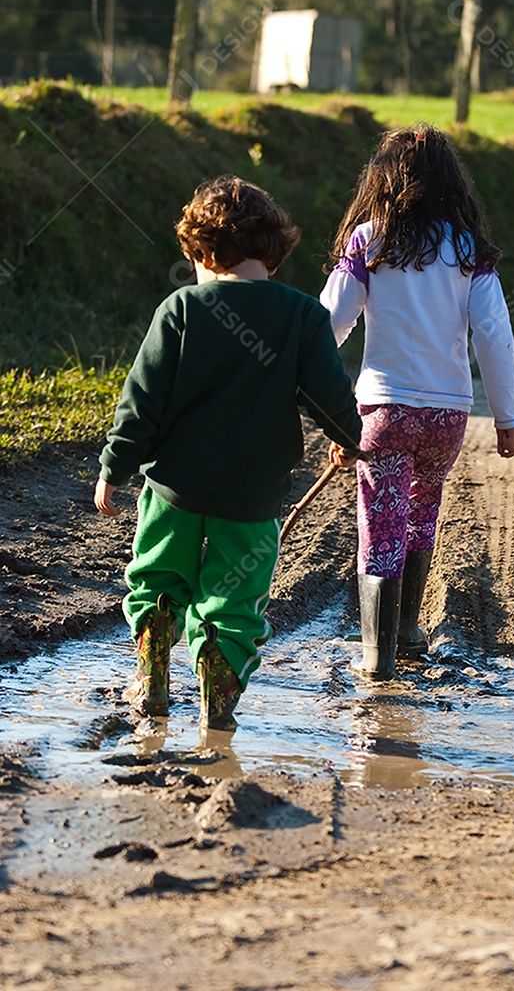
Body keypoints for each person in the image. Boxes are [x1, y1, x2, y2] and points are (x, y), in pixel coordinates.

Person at [95, 176, 362, 731]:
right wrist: (350, 438)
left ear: (205, 250)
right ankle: (219, 691)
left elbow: (143, 398)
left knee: (158, 578)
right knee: (235, 597)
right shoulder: (303, 316)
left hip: (175, 489)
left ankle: (151, 676)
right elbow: (329, 397)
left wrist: (114, 467)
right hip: (253, 496)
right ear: (272, 251)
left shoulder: (182, 309)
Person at [320, 124, 514, 679]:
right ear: (450, 184)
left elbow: (329, 326)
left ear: (383, 180)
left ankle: (376, 656)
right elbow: (494, 335)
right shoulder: (469, 251)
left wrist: (334, 414)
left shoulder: (369, 242)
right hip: (447, 415)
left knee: (379, 524)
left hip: (382, 411)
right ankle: (408, 632)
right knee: (422, 511)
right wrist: (508, 418)